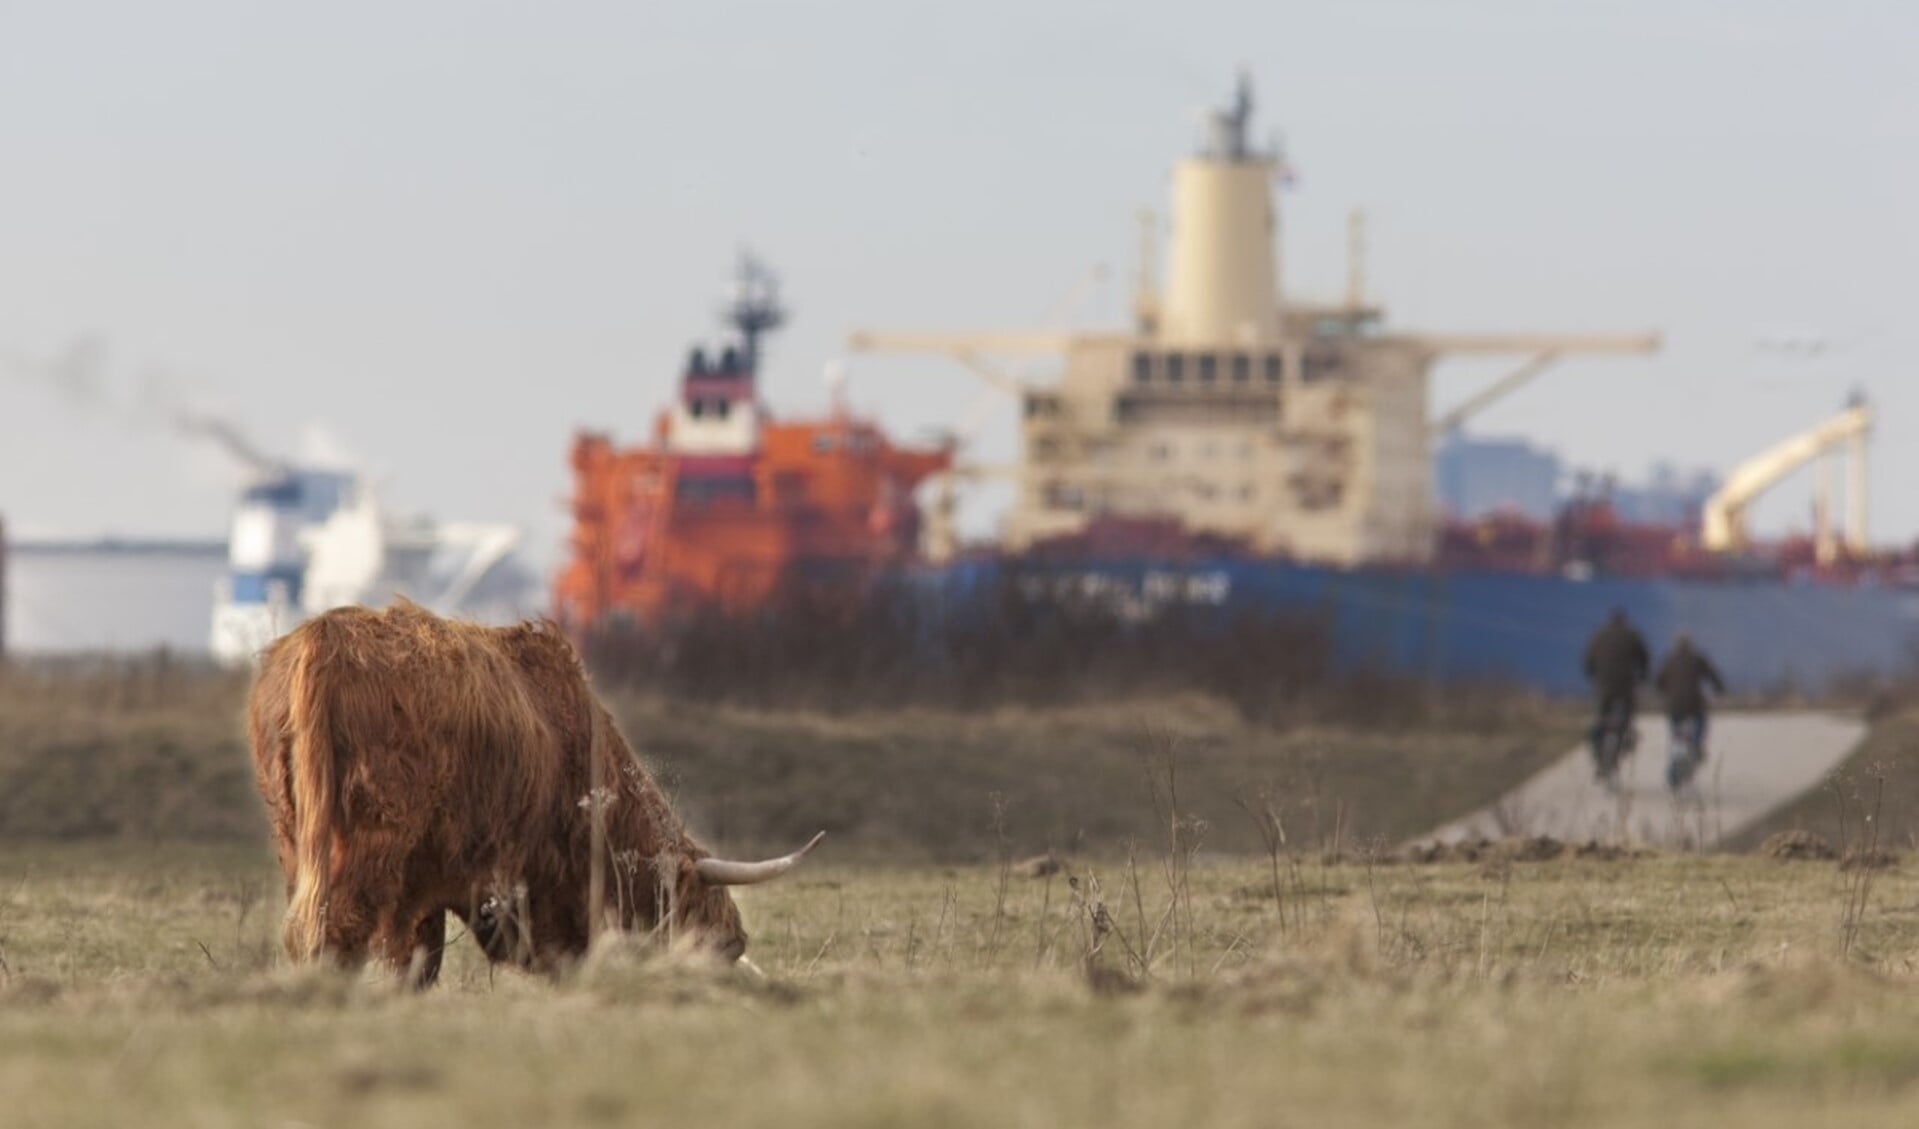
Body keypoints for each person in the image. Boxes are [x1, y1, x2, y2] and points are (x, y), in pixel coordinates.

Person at [1582, 607, 1650, 779]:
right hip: (1626, 687)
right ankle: (1621, 745)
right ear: (1624, 621)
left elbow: (1588, 660)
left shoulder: (1599, 636)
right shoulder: (1632, 635)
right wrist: (1643, 676)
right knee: (1626, 720)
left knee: (1601, 719)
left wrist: (1594, 676)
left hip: (1604, 687)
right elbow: (1644, 658)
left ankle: (1598, 753)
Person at [1655, 631, 1725, 768]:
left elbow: (1659, 682)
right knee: (1700, 723)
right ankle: (1696, 746)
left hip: (1674, 705)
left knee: (1675, 731)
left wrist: (1662, 692)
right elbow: (1712, 675)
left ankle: (1676, 754)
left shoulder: (1669, 659)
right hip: (1694, 703)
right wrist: (1720, 688)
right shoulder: (1697, 658)